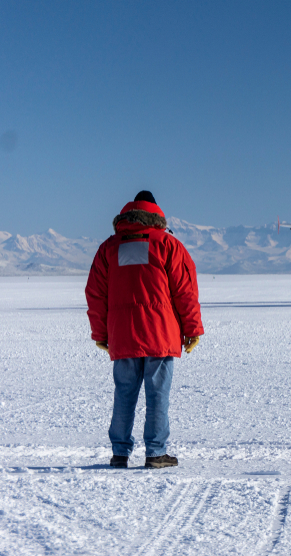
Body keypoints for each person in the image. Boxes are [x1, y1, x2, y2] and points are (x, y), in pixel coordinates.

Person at [86, 191, 204, 469]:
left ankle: (119, 453)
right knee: (157, 393)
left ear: (126, 215)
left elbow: (95, 294)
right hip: (160, 334)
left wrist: (101, 334)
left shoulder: (108, 248)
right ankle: (156, 453)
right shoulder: (168, 245)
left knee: (124, 392)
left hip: (122, 334)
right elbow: (185, 292)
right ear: (157, 214)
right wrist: (193, 329)